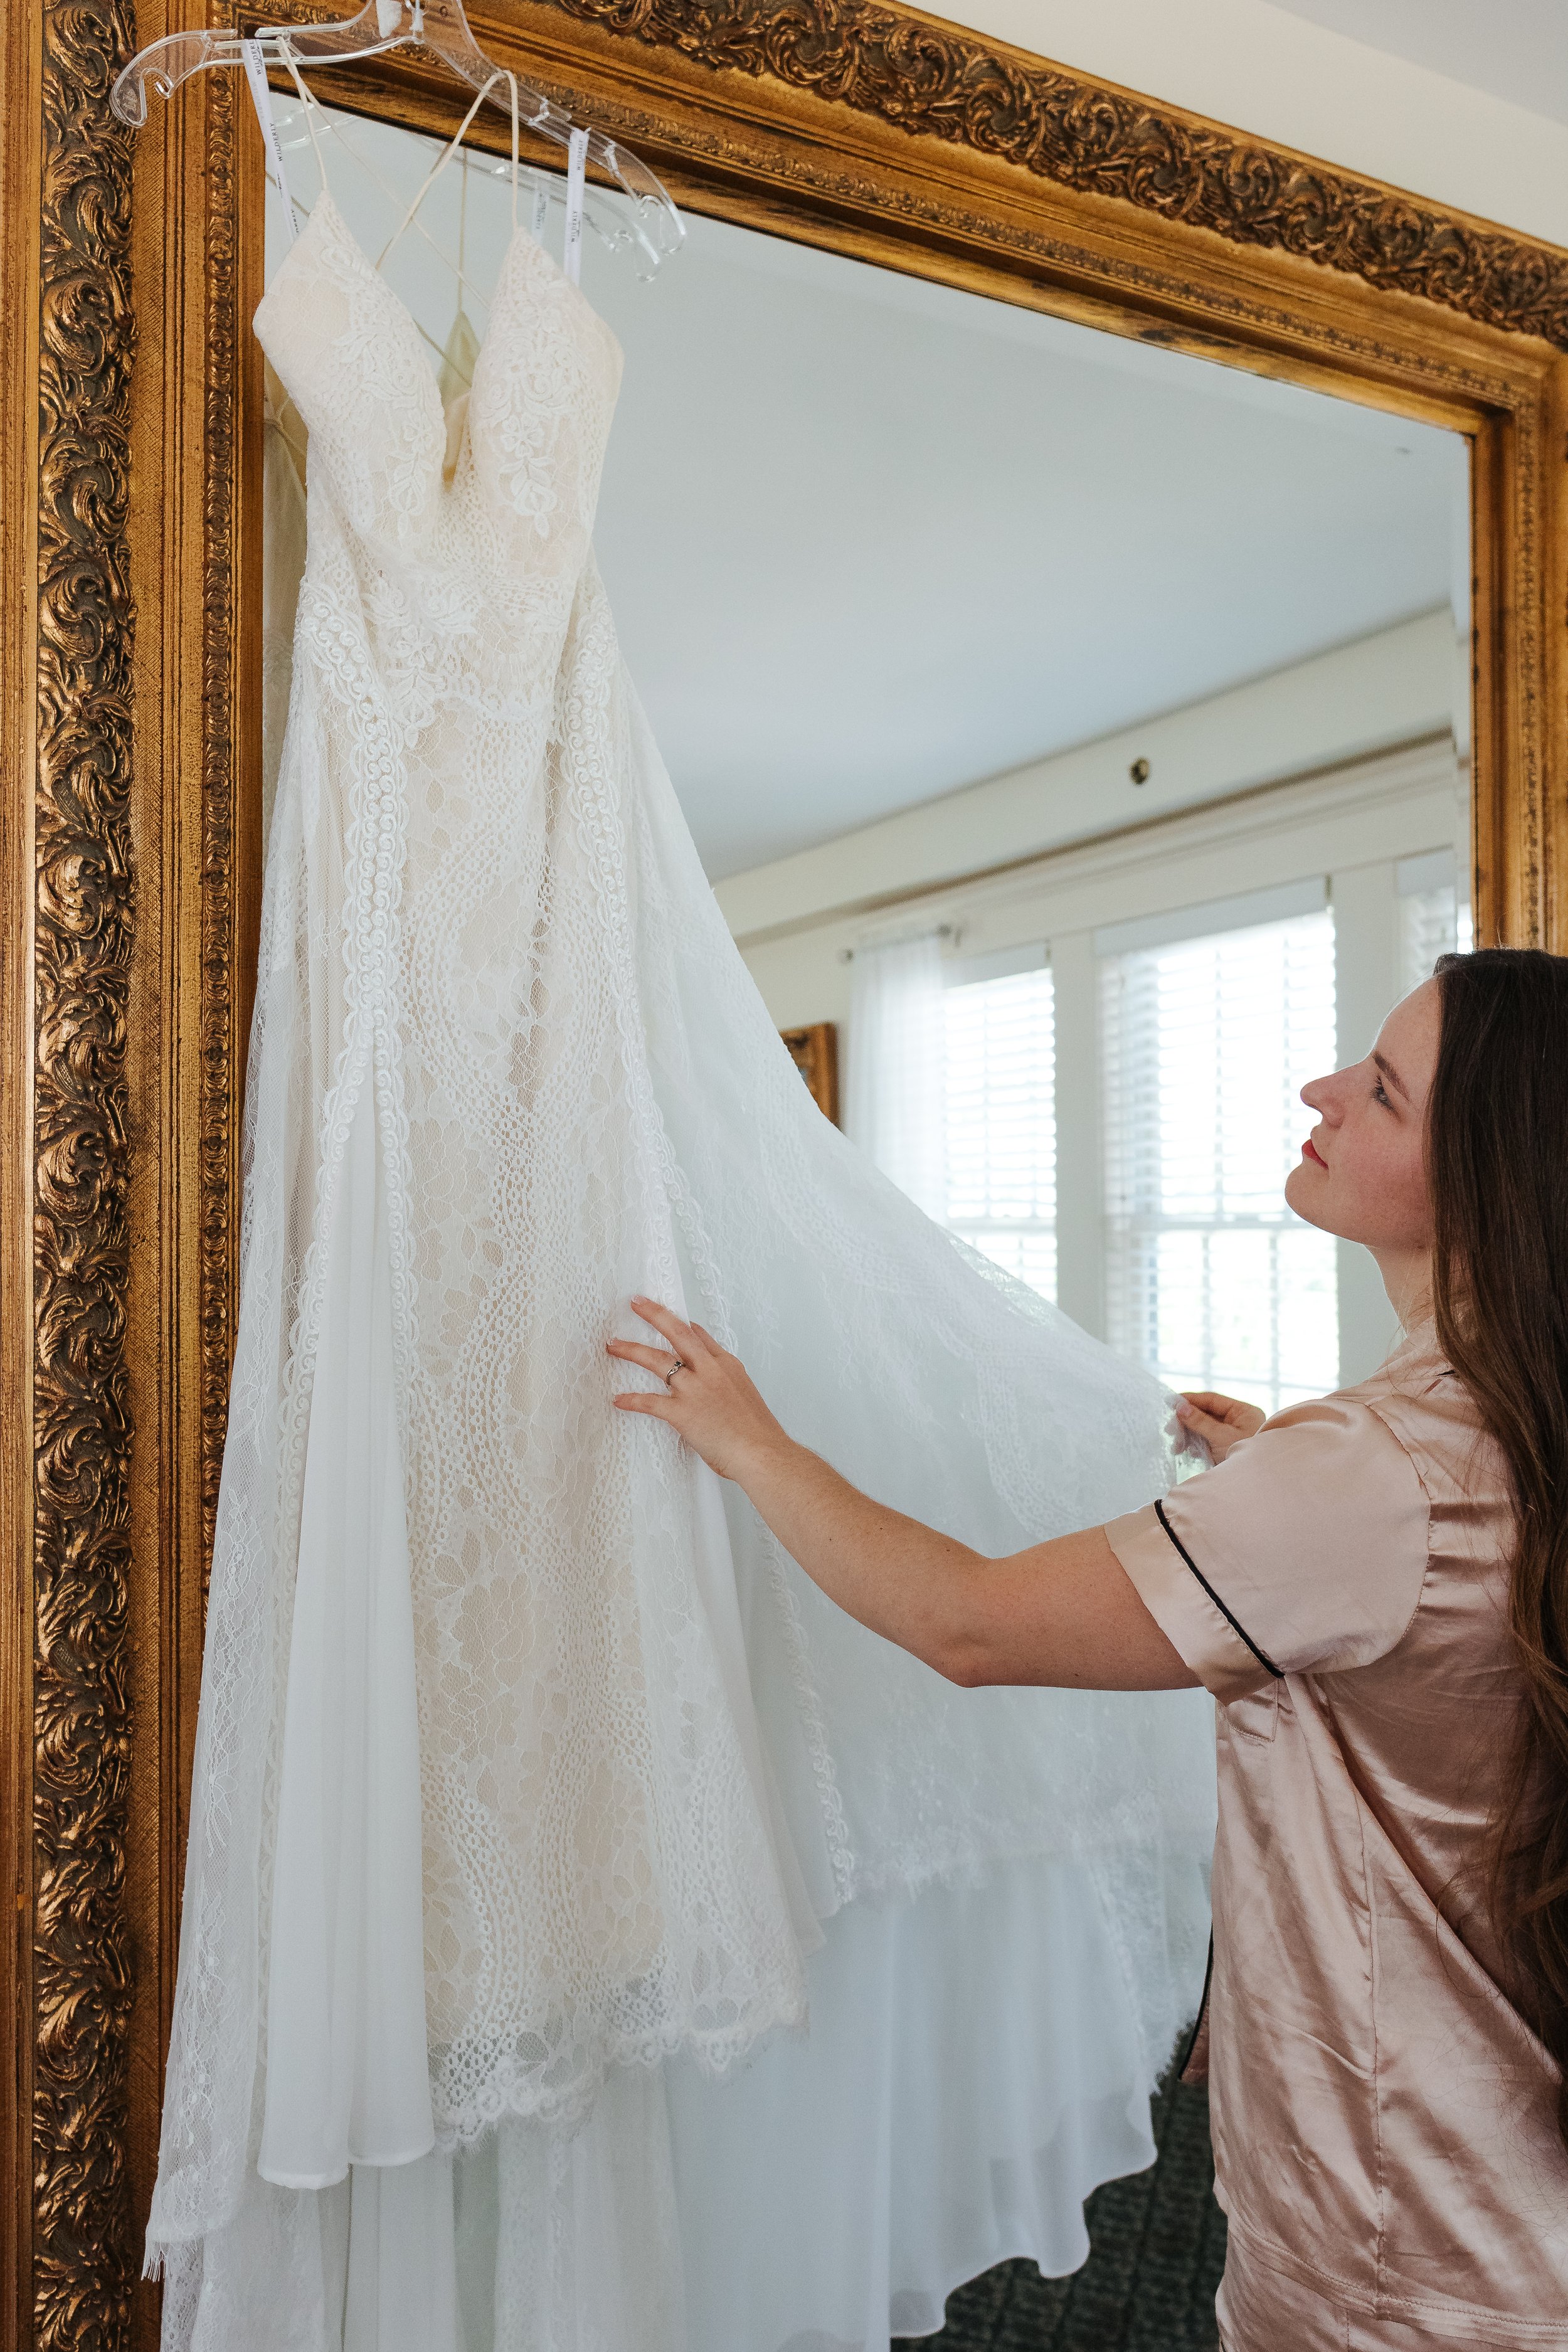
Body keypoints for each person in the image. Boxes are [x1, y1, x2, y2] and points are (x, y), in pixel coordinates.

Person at [610, 946, 1568, 2352]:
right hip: (1503, 2192)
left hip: (1398, 2245)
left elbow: (965, 1622)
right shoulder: (1496, 1423)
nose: (1319, 1091)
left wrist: (751, 1441)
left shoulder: (1370, 1480)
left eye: (1375, 1090)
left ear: (1476, 1175)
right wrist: (1281, 1478)